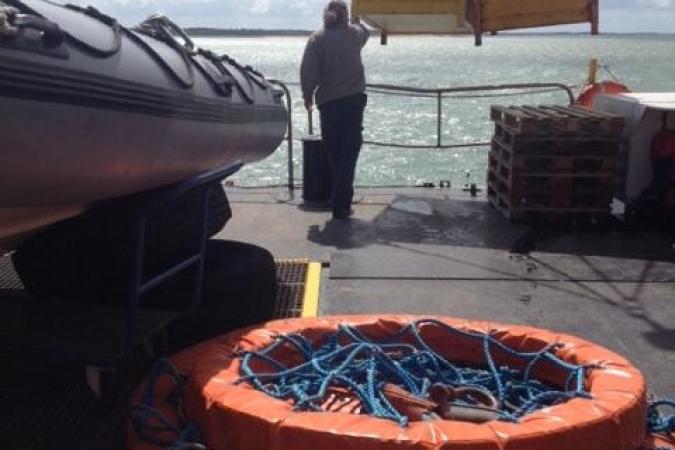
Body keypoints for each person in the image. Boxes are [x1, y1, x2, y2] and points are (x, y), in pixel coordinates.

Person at [300, 0, 369, 220]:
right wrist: (357, 22)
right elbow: (366, 32)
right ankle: (341, 201)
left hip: (328, 104)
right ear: (344, 16)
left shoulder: (316, 39)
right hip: (352, 102)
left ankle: (339, 198)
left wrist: (307, 95)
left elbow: (308, 71)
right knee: (349, 152)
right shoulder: (353, 35)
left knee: (334, 151)